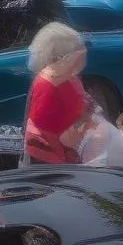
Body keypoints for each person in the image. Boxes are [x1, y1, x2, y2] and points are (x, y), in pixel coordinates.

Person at [22, 23, 90, 166]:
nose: (81, 55)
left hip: (68, 151)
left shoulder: (66, 76)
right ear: (63, 56)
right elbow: (43, 132)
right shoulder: (47, 87)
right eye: (77, 52)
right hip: (51, 160)